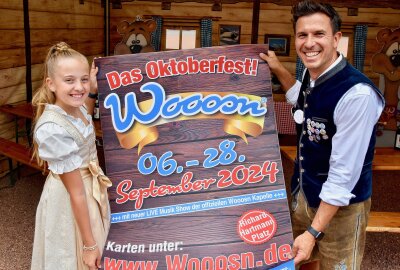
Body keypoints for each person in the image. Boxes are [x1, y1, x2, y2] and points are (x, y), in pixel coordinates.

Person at [260, 1, 385, 269]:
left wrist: (314, 232)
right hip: (304, 193)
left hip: (342, 211)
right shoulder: (311, 73)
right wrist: (278, 68)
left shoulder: (357, 95)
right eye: (302, 35)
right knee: (291, 259)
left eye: (319, 34)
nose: (309, 43)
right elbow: (301, 101)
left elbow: (342, 178)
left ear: (336, 38)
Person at [31, 42, 112, 270]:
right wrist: (88, 245)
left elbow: (85, 110)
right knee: (75, 255)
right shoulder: (52, 129)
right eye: (70, 80)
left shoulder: (75, 108)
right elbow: (76, 192)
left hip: (87, 189)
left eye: (83, 79)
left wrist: (93, 88)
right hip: (72, 198)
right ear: (51, 84)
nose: (79, 87)